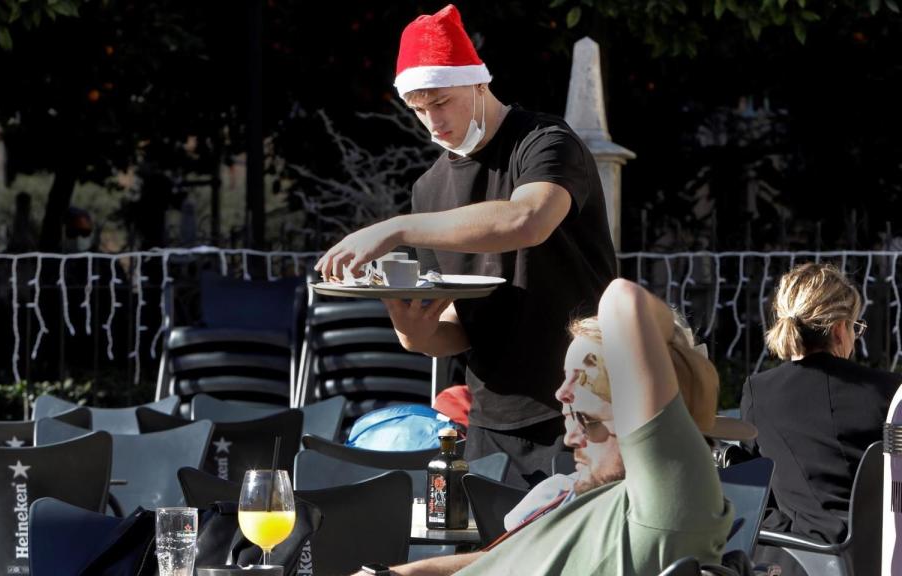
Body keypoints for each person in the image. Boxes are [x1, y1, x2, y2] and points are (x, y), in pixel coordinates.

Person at [315, 4, 616, 488]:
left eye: (441, 102)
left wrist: (395, 229)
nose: (432, 122)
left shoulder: (543, 140)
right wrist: (415, 333)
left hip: (582, 406)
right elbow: (460, 323)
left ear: (479, 84)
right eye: (418, 109)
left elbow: (527, 219)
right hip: (491, 419)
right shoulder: (429, 189)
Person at [352, 279, 735, 575]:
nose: (569, 439)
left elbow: (623, 300)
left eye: (588, 420)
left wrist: (675, 360)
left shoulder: (664, 501)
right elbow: (499, 564)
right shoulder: (576, 496)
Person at [741, 262, 900, 547]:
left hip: (802, 556)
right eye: (855, 327)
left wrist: (790, 526)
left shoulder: (758, 392)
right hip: (884, 553)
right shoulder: (888, 391)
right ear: (840, 329)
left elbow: (754, 491)